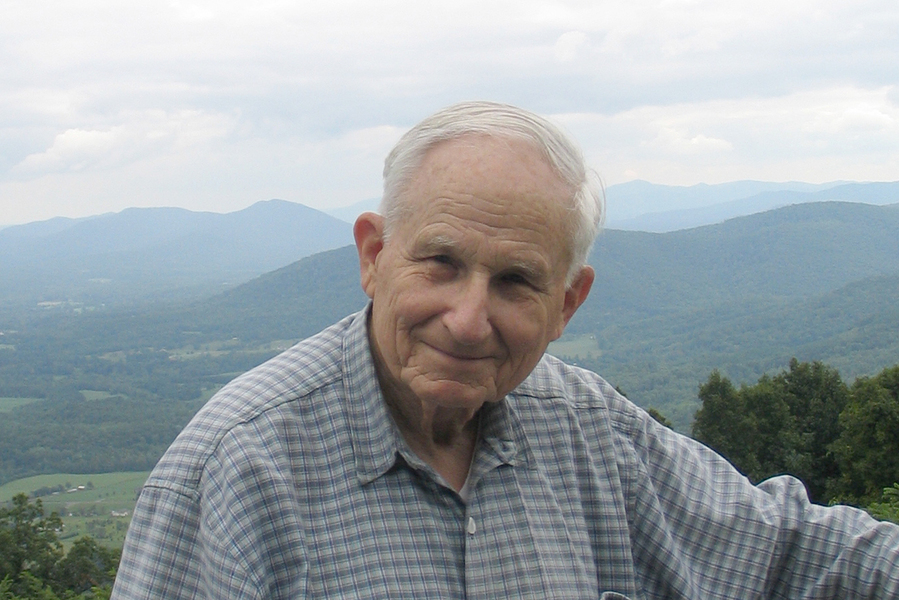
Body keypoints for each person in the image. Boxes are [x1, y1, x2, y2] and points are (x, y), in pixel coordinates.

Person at [111, 101, 899, 599]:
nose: (466, 319)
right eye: (441, 262)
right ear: (372, 255)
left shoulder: (588, 429)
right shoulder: (241, 469)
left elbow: (800, 556)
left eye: (516, 281)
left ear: (566, 305)